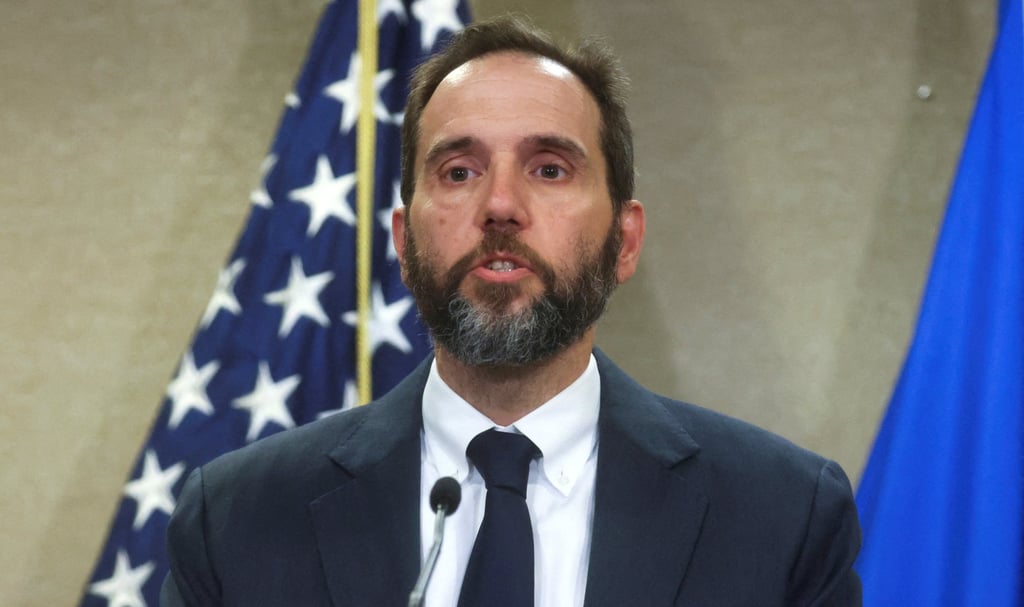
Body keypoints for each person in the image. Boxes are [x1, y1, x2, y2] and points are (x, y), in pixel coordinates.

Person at [162, 15, 862, 607]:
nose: (500, 205)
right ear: (404, 244)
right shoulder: (236, 521)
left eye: (549, 168)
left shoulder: (782, 516)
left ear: (624, 240)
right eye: (458, 171)